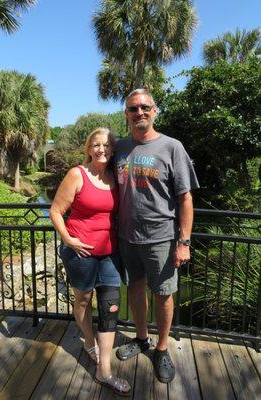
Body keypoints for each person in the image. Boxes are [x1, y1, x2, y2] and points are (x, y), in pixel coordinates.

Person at [114, 89, 199, 383]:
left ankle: (162, 349)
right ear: (126, 114)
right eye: (133, 108)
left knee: (163, 294)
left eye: (144, 107)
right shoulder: (120, 147)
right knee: (135, 289)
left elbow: (185, 199)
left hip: (161, 238)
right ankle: (141, 339)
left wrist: (184, 242)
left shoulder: (172, 147)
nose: (139, 112)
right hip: (127, 237)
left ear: (155, 110)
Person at [50, 128, 131, 397]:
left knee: (110, 306)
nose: (101, 150)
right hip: (80, 254)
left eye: (107, 145)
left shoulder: (115, 177)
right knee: (83, 300)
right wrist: (69, 240)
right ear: (88, 148)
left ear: (113, 149)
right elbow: (56, 211)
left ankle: (104, 370)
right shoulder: (77, 174)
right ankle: (88, 340)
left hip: (110, 252)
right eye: (96, 145)